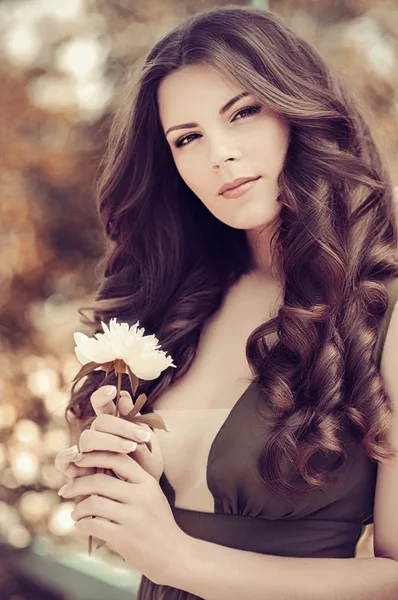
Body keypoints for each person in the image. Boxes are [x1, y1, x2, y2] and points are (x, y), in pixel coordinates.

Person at [54, 6, 398, 599]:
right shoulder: (176, 305)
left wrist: (183, 562)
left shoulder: (380, 312)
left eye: (242, 113)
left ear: (297, 111)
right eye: (187, 138)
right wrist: (111, 485)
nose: (219, 154)